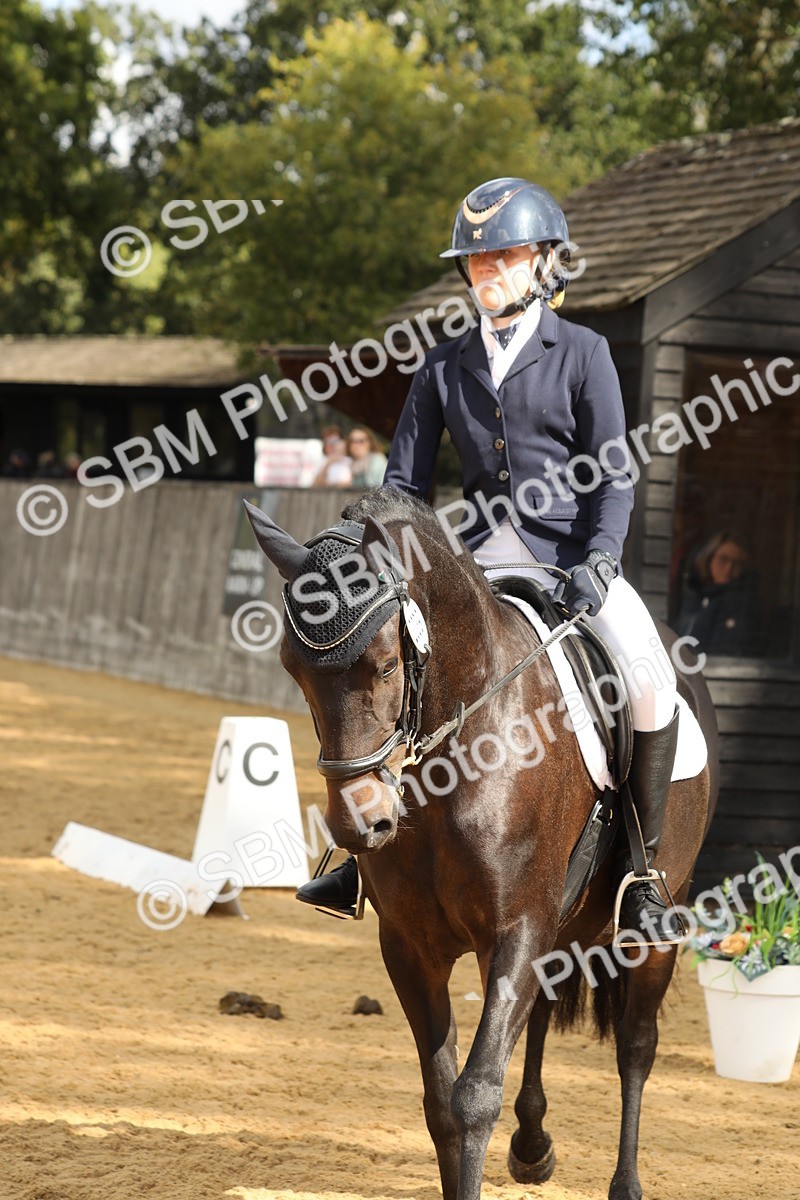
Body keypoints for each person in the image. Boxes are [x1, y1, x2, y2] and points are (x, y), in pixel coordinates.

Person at [297, 177, 682, 945]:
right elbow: (402, 484)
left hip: (570, 561)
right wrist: (381, 558)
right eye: (474, 261)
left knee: (646, 675)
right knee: (376, 665)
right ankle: (350, 856)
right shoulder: (443, 364)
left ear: (545, 264)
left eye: (502, 256)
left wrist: (603, 558)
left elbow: (613, 473)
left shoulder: (583, 353)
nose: (485, 272)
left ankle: (641, 873)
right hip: (469, 567)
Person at [676, 532, 758, 656]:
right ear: (709, 559)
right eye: (723, 559)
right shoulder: (695, 596)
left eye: (738, 563)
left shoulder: (736, 602)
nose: (728, 568)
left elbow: (723, 653)